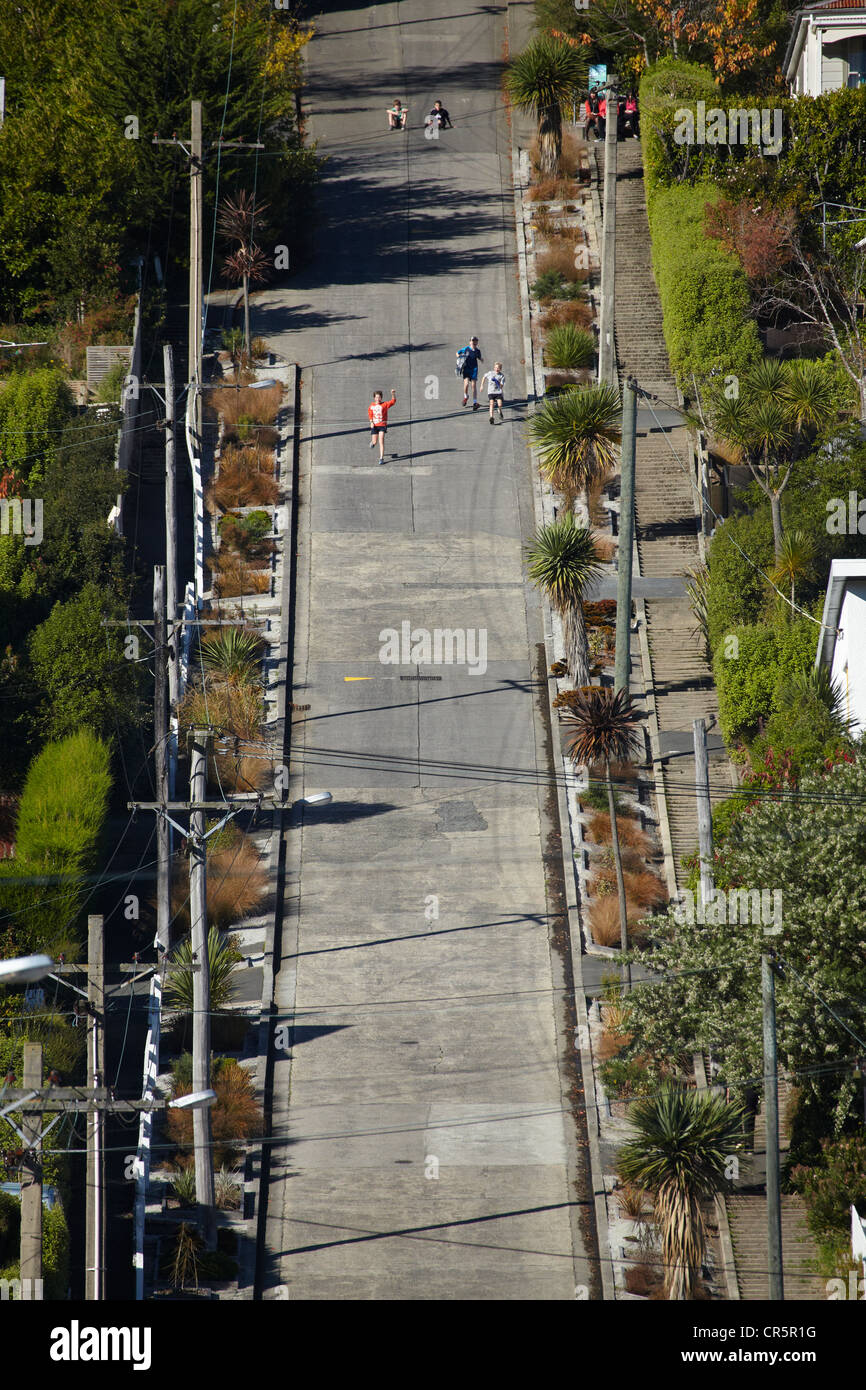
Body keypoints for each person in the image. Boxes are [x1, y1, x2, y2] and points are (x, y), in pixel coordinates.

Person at [368, 389, 396, 462]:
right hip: (374, 426)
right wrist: (371, 422)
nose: (378, 399)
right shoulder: (371, 406)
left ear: (381, 398)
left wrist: (392, 394)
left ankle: (381, 458)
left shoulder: (385, 404)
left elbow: (393, 402)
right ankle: (372, 443)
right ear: (374, 398)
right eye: (376, 397)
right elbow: (370, 415)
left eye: (379, 397)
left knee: (381, 441)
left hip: (382, 426)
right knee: (375, 442)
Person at [457, 337, 483, 408]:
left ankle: (475, 402)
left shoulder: (477, 351)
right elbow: (457, 353)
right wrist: (459, 357)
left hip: (474, 369)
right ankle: (466, 397)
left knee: (473, 385)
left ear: (477, 343)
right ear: (470, 342)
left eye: (475, 341)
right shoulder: (466, 349)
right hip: (466, 369)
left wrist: (481, 359)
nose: (473, 342)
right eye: (472, 341)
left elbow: (479, 357)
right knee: (466, 384)